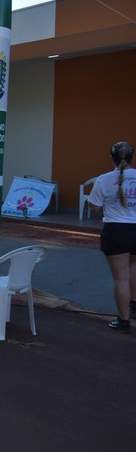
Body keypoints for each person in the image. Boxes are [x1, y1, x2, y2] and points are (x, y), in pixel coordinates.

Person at [87, 140, 136, 334]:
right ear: (132, 157)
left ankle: (124, 321)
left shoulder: (104, 179)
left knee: (121, 279)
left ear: (111, 158)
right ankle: (134, 305)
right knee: (133, 267)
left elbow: (95, 206)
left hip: (116, 231)